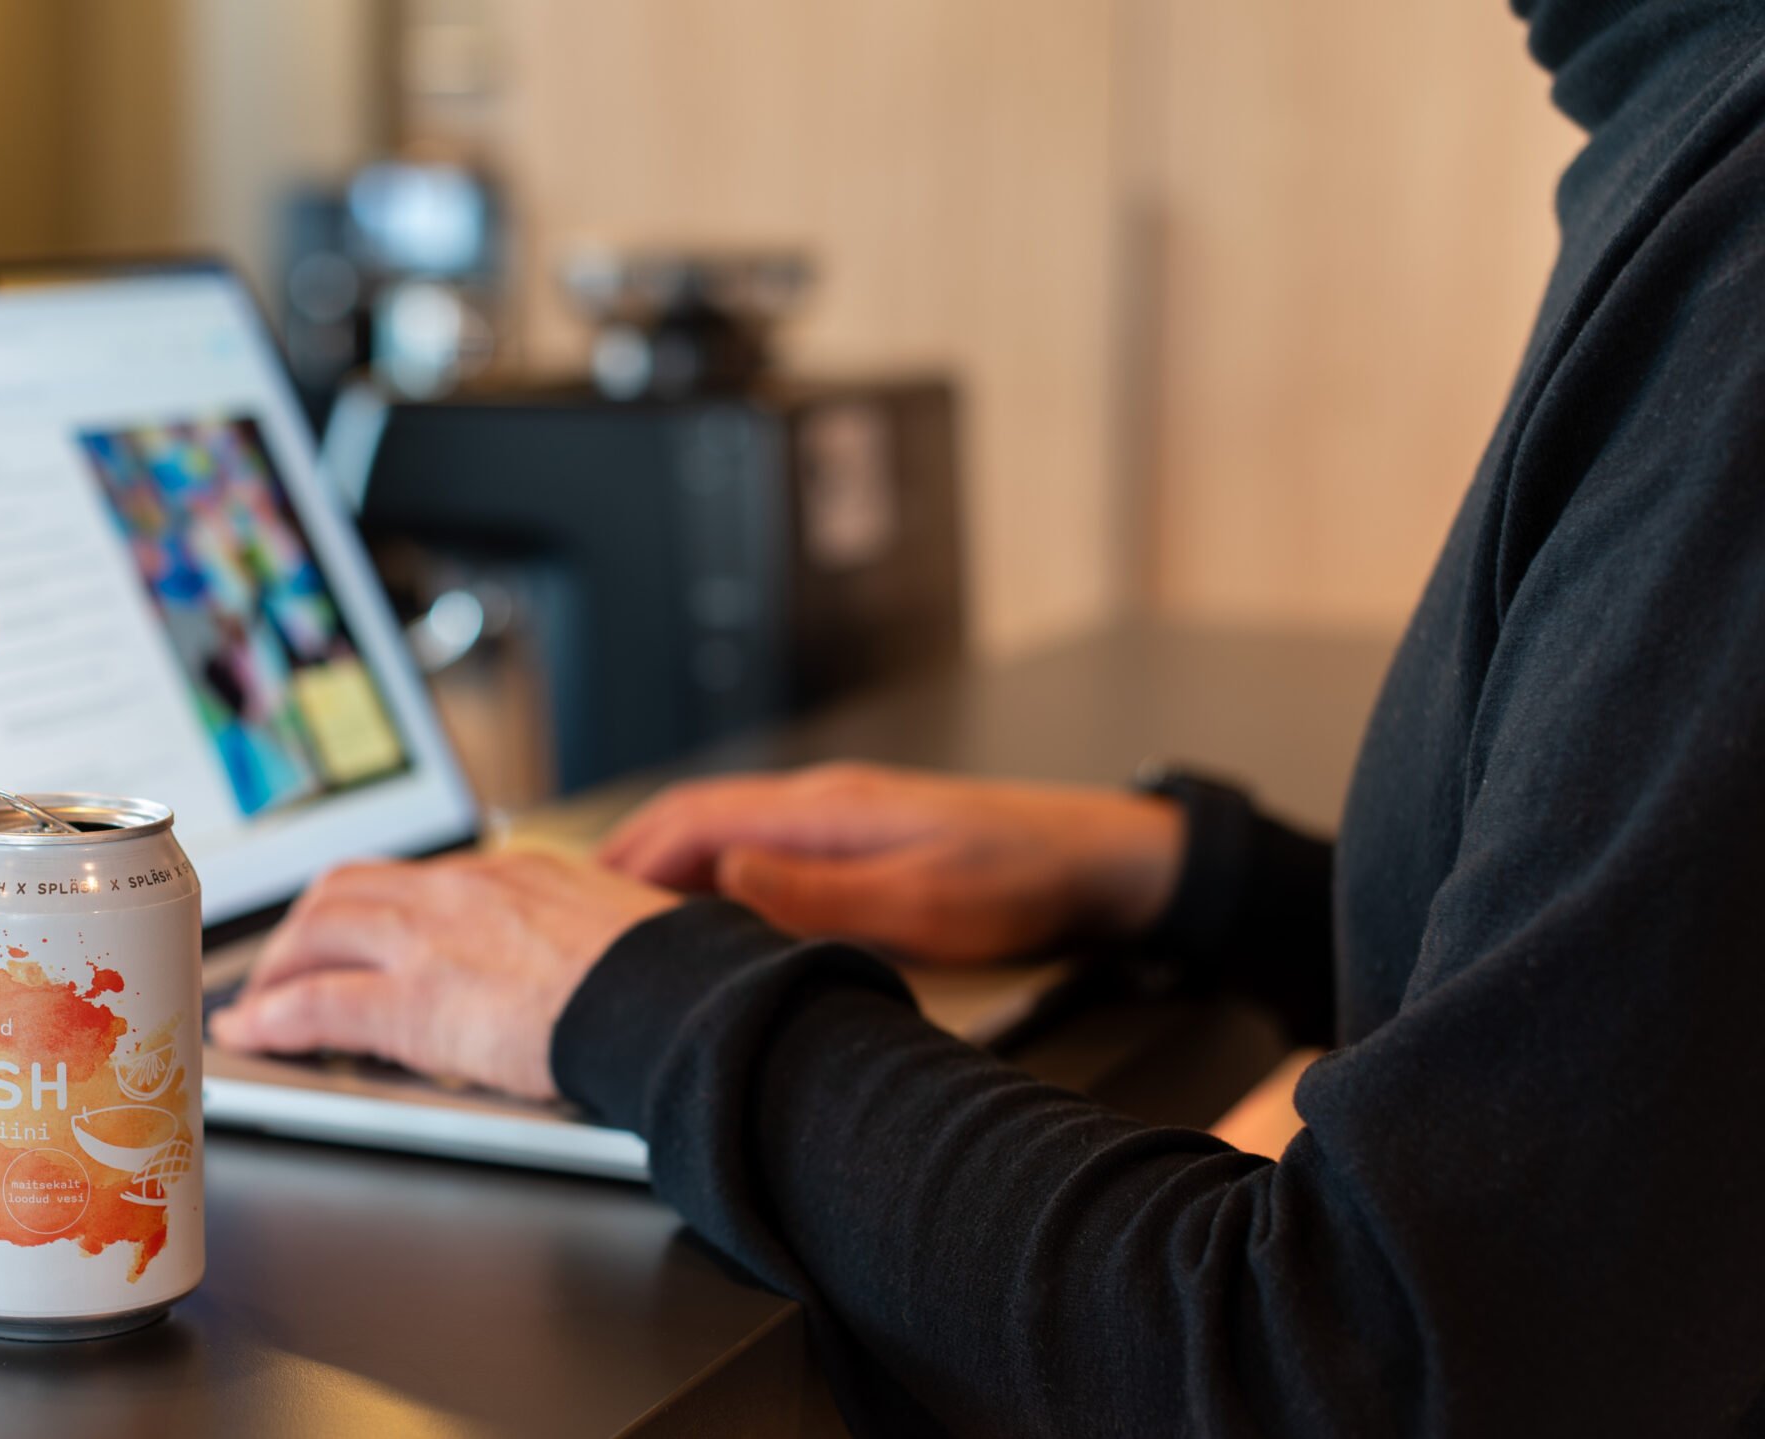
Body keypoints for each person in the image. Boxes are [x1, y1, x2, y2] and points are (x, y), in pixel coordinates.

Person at [211, 0, 1765, 1430]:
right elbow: (1676, 1030)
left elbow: (1368, 1368)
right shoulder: (1678, 103)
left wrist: (644, 1003)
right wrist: (1184, 875)